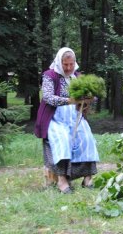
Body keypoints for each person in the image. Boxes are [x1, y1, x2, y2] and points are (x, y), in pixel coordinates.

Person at [35, 47, 99, 194]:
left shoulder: (77, 76)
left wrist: (90, 98)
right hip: (55, 118)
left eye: (71, 64)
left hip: (75, 116)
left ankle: (87, 179)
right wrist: (70, 100)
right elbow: (48, 97)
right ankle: (62, 181)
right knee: (62, 139)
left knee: (87, 139)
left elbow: (92, 96)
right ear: (59, 62)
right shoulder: (49, 75)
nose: (69, 68)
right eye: (65, 64)